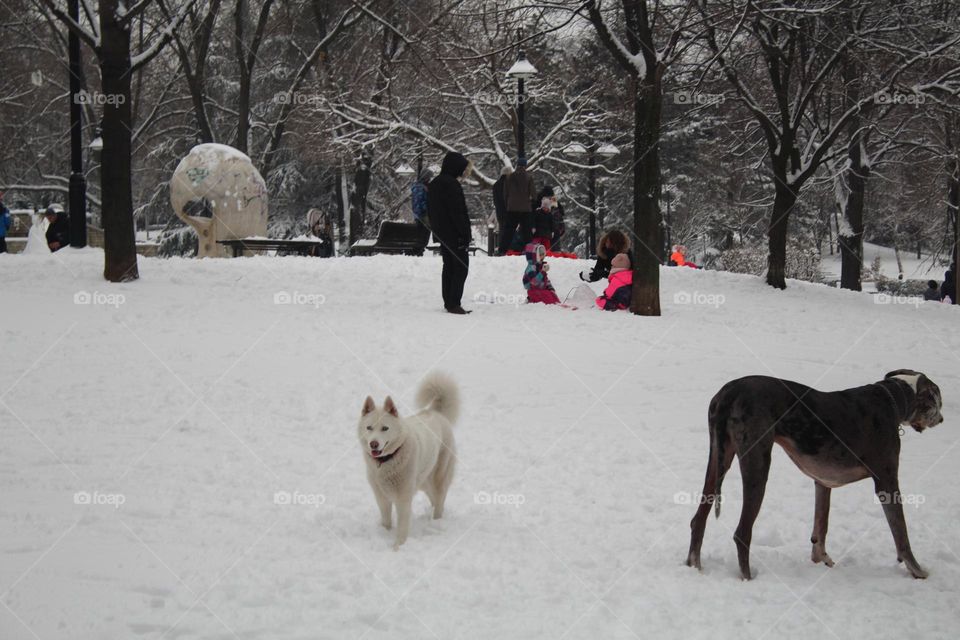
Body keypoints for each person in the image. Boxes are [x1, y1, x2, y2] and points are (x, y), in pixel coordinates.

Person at [427, 151, 473, 315]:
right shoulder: (452, 185)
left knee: (448, 266)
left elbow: (432, 210)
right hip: (454, 233)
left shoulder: (434, 183)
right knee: (461, 267)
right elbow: (458, 212)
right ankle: (454, 303)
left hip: (441, 233)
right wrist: (465, 234)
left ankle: (448, 301)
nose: (463, 172)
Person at [500, 156, 536, 254]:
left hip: (512, 208)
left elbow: (505, 194)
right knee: (527, 232)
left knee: (508, 231)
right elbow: (533, 194)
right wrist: (531, 202)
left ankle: (502, 250)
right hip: (525, 209)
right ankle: (529, 251)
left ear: (517, 165)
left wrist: (508, 204)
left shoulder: (509, 177)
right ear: (525, 165)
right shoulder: (529, 177)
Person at [491, 166, 511, 254]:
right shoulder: (510, 184)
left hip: (499, 211)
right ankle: (508, 249)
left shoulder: (496, 184)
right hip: (509, 211)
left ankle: (501, 249)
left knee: (502, 229)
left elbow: (495, 200)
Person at [411, 168, 433, 242]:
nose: (430, 180)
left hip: (421, 215)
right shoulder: (420, 188)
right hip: (422, 215)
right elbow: (419, 202)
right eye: (429, 178)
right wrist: (428, 208)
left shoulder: (422, 187)